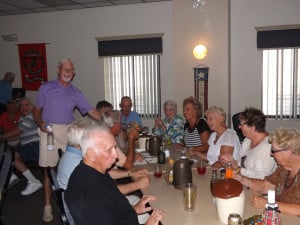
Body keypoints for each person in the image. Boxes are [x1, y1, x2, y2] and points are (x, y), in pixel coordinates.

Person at [33, 58, 101, 222]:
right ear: (58, 70)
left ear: (74, 72)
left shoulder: (75, 92)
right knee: (49, 169)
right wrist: (40, 122)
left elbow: (90, 110)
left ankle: (74, 201)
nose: (68, 72)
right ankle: (48, 206)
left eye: (70, 70)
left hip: (69, 131)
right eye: (65, 69)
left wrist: (107, 121)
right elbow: (36, 110)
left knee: (75, 166)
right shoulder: (46, 88)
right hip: (48, 130)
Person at [57, 117, 150, 224]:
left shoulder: (91, 169)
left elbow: (111, 200)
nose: (115, 156)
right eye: (109, 150)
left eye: (114, 148)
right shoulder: (93, 193)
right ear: (91, 154)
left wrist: (134, 210)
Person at [237, 127, 300, 216]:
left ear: (288, 151)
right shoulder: (283, 169)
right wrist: (241, 178)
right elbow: (266, 186)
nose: (271, 154)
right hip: (280, 217)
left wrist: (269, 204)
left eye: (273, 150)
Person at [220, 107, 277, 179]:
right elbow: (243, 165)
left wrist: (239, 171)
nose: (239, 127)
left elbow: (262, 176)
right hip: (243, 183)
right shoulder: (247, 141)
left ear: (253, 127)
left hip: (256, 188)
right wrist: (232, 162)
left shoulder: (267, 146)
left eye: (241, 124)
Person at [0, 98, 42, 195]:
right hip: (26, 146)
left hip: (34, 147)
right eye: (22, 106)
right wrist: (4, 140)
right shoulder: (23, 118)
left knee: (11, 155)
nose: (24, 108)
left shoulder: (32, 116)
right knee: (7, 152)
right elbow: (20, 135)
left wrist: (1, 137)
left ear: (32, 107)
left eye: (27, 105)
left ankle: (33, 181)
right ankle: (10, 175)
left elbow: (17, 131)